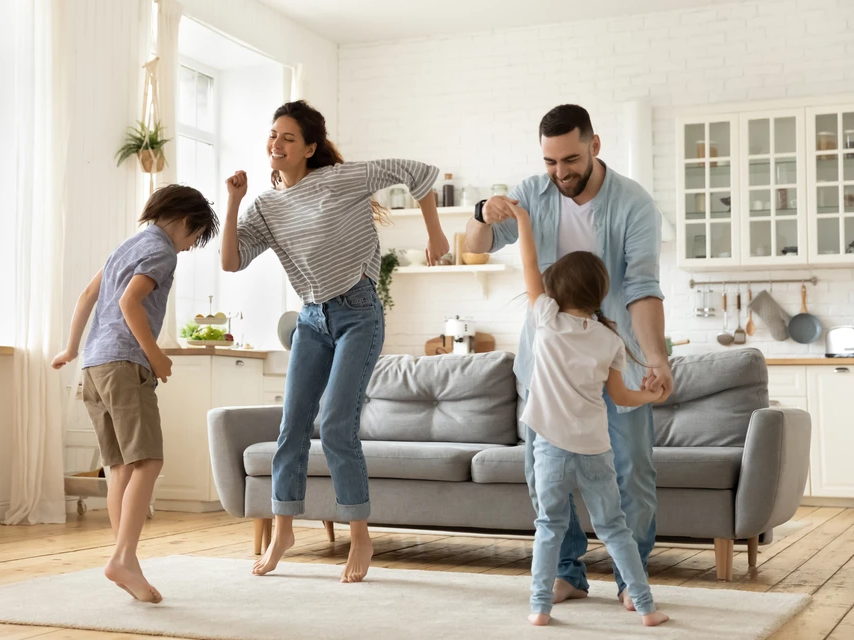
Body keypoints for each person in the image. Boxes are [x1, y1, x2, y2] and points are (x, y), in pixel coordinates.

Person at [221, 100, 449, 583]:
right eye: (272, 135)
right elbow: (231, 261)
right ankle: (283, 528)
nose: (276, 144)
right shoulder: (266, 206)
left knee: (339, 426)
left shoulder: (339, 180)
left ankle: (360, 535)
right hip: (310, 319)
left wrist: (436, 234)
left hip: (359, 312)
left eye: (288, 137)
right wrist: (234, 202)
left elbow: (420, 172)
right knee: (291, 426)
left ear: (309, 147)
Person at [464, 104, 671, 608]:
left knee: (632, 472)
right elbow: (478, 247)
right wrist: (480, 213)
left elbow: (643, 288)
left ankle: (630, 579)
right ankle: (567, 574)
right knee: (544, 476)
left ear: (595, 146)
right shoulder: (534, 191)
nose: (560, 173)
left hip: (613, 356)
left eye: (570, 160)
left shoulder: (635, 205)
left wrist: (656, 358)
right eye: (551, 162)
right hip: (548, 365)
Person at [52, 184, 219, 603]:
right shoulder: (161, 251)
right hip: (126, 363)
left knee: (121, 468)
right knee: (148, 460)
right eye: (194, 239)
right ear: (185, 222)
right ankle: (123, 557)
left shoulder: (125, 246)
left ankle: (127, 562)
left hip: (93, 364)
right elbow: (130, 303)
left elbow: (88, 295)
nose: (187, 248)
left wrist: (72, 349)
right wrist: (156, 355)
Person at [508, 197, 668, 626]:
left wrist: (524, 219)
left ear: (557, 291)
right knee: (614, 529)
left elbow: (527, 263)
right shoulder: (610, 340)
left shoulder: (546, 320)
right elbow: (621, 398)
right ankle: (646, 607)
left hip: (552, 452)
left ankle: (540, 608)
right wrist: (651, 396)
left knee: (549, 527)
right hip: (597, 452)